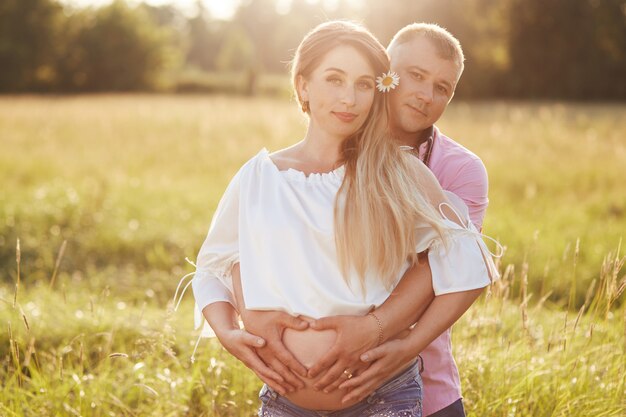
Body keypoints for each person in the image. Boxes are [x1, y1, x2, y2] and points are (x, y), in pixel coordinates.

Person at [185, 21, 498, 416]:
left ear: (377, 92)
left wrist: (403, 344)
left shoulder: (395, 172)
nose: (348, 98)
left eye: (364, 84)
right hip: (286, 404)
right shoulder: (259, 176)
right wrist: (229, 330)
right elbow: (214, 264)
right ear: (303, 86)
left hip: (382, 399)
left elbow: (469, 260)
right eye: (334, 80)